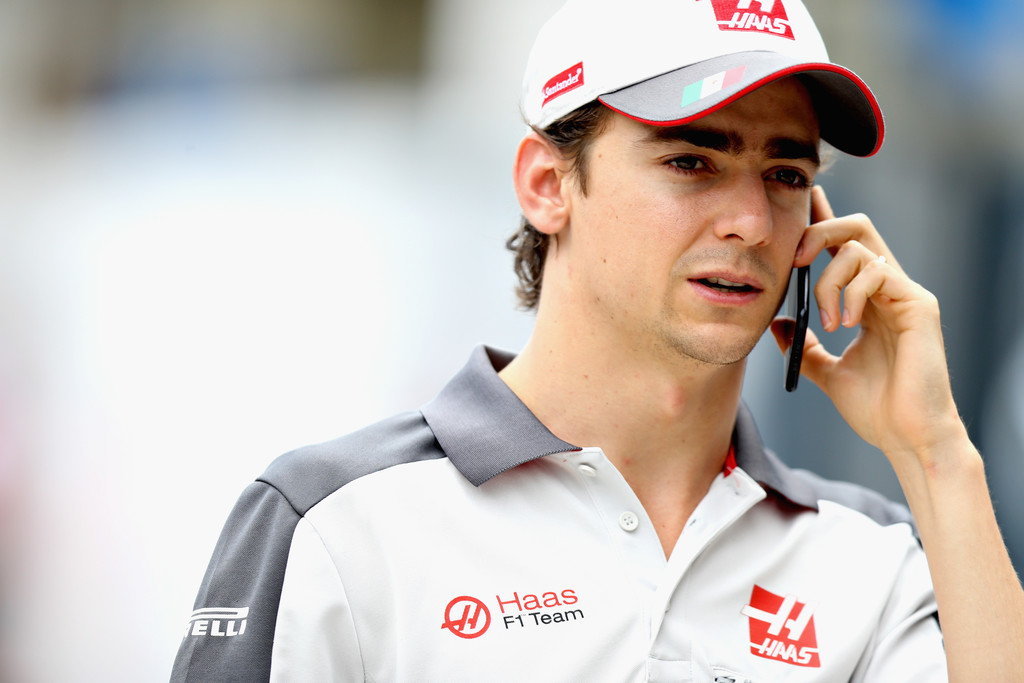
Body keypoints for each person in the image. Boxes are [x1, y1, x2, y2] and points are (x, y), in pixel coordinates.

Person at [171, 0, 1024, 680]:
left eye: (786, 174)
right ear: (548, 184)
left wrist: (938, 453)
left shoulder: (869, 561)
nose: (751, 221)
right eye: (692, 161)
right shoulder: (337, 520)